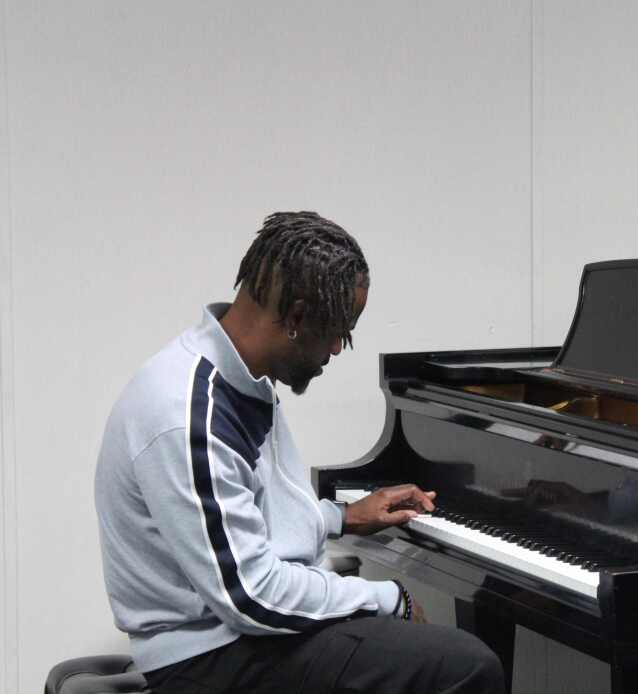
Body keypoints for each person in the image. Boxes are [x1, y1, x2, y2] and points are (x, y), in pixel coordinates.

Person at [94, 211, 505, 694]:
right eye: (338, 331)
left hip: (233, 634)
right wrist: (388, 599)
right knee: (468, 666)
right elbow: (251, 595)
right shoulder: (189, 414)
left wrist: (341, 517)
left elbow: (252, 516)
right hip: (208, 657)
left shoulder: (238, 378)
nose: (337, 349)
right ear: (295, 317)